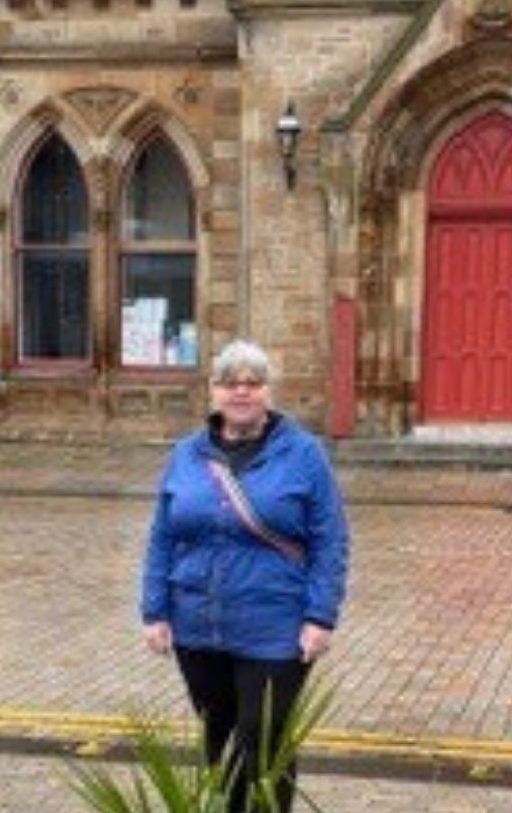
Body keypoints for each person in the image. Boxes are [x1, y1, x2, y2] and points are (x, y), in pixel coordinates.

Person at [140, 340, 350, 812]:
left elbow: (330, 539)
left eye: (253, 383)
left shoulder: (303, 454)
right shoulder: (186, 454)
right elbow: (162, 536)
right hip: (198, 624)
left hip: (274, 626)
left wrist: (321, 616)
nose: (241, 392)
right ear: (212, 392)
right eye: (229, 382)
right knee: (219, 741)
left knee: (264, 742)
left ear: (268, 393)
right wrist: (154, 609)